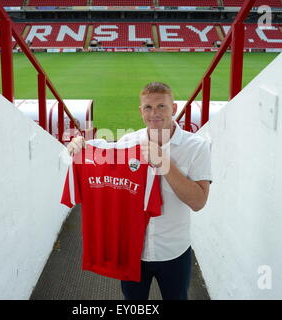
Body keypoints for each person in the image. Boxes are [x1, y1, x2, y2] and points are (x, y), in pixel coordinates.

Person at [67, 82, 212, 300]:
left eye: (161, 106)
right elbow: (104, 151)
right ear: (141, 111)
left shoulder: (196, 147)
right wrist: (81, 145)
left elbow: (198, 202)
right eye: (148, 108)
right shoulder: (129, 141)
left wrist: (164, 163)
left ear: (173, 108)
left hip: (173, 250)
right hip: (133, 251)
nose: (155, 113)